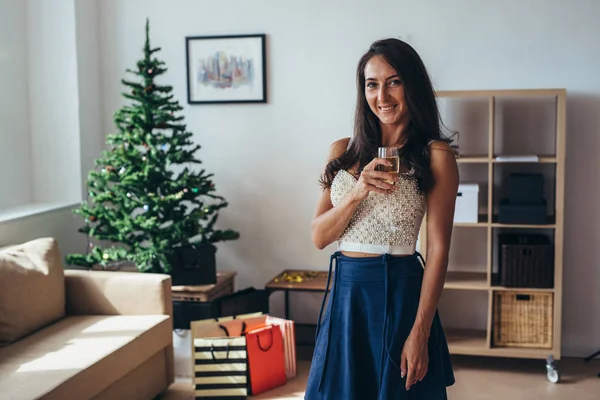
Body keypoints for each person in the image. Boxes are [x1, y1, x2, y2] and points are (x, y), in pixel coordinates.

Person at [304, 38, 458, 399]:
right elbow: (318, 235)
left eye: (394, 81)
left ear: (413, 85)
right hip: (347, 295)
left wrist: (420, 333)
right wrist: (358, 190)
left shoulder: (435, 155)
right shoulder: (342, 150)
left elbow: (437, 251)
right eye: (372, 84)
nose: (382, 96)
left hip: (400, 292)